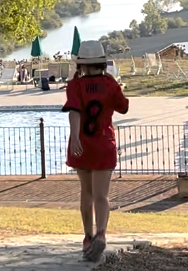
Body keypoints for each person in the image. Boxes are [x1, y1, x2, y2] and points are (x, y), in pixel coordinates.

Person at [62, 40, 129, 263]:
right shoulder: (109, 84)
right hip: (104, 143)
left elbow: (74, 112)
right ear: (102, 62)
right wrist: (116, 84)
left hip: (82, 145)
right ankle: (101, 232)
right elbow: (124, 107)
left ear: (81, 64)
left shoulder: (75, 85)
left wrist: (75, 138)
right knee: (102, 195)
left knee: (86, 193)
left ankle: (88, 237)